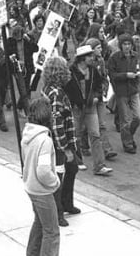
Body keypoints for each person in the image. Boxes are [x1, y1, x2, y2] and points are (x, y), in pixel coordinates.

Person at [42, 56, 80, 227]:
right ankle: (58, 212)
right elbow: (57, 123)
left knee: (72, 168)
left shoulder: (52, 89)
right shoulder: (57, 94)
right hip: (59, 143)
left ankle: (67, 203)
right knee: (58, 176)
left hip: (64, 140)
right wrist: (65, 148)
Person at [64, 45, 113, 176]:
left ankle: (99, 166)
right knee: (76, 135)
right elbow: (66, 89)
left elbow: (98, 85)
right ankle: (77, 161)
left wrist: (97, 96)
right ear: (82, 58)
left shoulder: (93, 71)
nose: (92, 58)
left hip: (90, 106)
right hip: (76, 108)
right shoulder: (71, 71)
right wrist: (72, 103)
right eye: (89, 56)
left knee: (95, 134)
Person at [22, 97, 61, 256]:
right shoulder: (44, 140)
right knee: (52, 231)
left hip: (31, 186)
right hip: (42, 191)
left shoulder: (28, 134)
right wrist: (55, 182)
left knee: (39, 224)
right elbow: (44, 170)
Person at [107, 33, 140, 154]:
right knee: (125, 120)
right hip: (121, 91)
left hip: (133, 90)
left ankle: (128, 136)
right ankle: (127, 144)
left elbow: (137, 68)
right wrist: (126, 75)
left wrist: (138, 75)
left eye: (129, 44)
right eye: (125, 44)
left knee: (138, 117)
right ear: (120, 45)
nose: (127, 46)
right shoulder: (114, 58)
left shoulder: (135, 56)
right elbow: (112, 75)